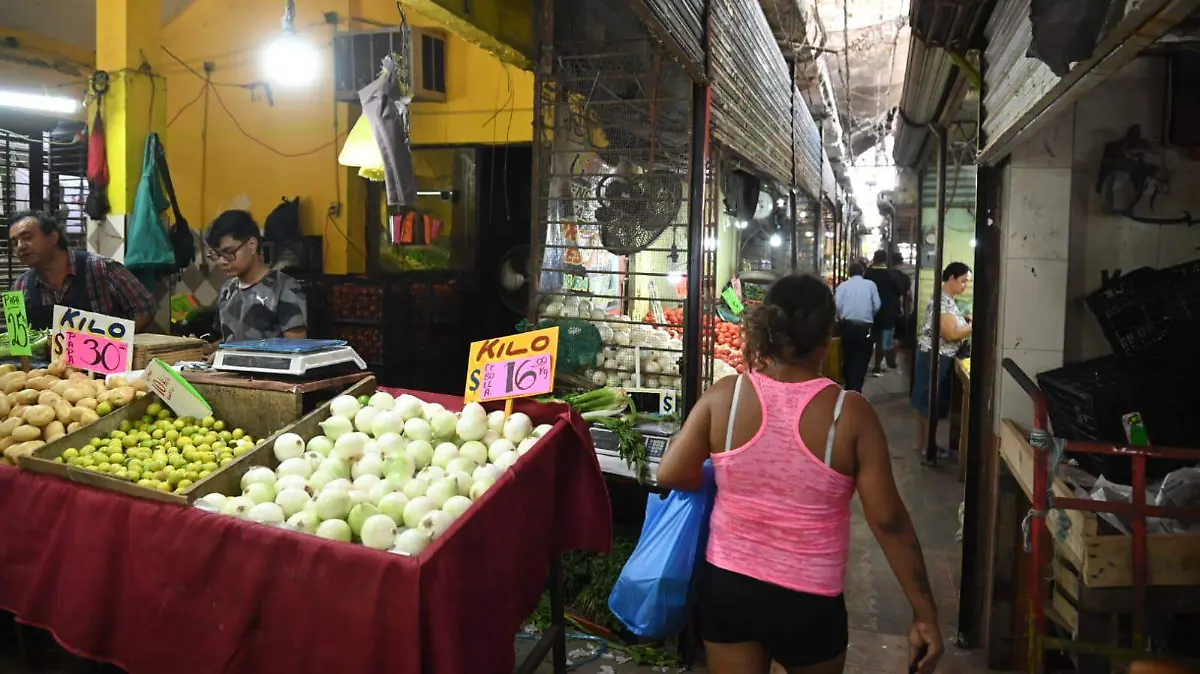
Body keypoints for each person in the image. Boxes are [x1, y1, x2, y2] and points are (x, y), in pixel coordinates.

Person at [656, 274, 943, 674]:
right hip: (809, 599)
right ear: (828, 339)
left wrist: (720, 477)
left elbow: (670, 473)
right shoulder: (850, 414)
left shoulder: (726, 397)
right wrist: (924, 612)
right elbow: (889, 521)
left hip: (729, 588)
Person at [9, 210, 155, 331]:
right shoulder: (19, 287)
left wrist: (117, 343)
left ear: (53, 236)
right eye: (15, 243)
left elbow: (145, 308)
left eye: (27, 237)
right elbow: (17, 338)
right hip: (51, 366)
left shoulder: (102, 268)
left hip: (107, 362)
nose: (20, 247)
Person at [206, 210, 308, 345]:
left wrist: (231, 355)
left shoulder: (284, 289)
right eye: (217, 255)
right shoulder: (227, 291)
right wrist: (207, 349)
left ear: (252, 245)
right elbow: (230, 342)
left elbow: (296, 348)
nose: (222, 261)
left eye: (229, 252)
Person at [911, 262, 972, 458]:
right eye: (963, 281)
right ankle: (928, 447)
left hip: (930, 354)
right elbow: (950, 333)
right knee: (930, 402)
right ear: (952, 278)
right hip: (936, 357)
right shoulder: (944, 301)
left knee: (924, 401)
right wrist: (973, 326)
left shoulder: (945, 299)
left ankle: (922, 444)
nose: (965, 286)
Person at [833, 262, 879, 392]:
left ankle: (849, 385)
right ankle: (857, 386)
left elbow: (836, 305)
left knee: (848, 355)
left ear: (849, 273)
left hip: (847, 326)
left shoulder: (842, 286)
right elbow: (877, 304)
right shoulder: (871, 285)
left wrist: (841, 317)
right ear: (863, 272)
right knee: (863, 356)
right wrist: (869, 315)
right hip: (865, 327)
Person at [864, 250, 901, 377]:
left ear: (874, 259)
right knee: (881, 342)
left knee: (870, 338)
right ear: (886, 260)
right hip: (886, 312)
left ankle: (864, 363)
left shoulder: (868, 273)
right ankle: (877, 366)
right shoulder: (890, 274)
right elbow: (898, 291)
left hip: (870, 311)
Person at [889, 251, 913, 368]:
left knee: (887, 333)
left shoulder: (886, 274)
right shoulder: (905, 277)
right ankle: (892, 354)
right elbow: (909, 296)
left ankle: (887, 351)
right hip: (900, 310)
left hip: (886, 310)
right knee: (899, 336)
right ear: (902, 262)